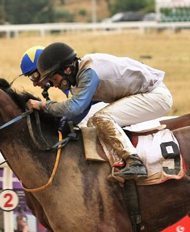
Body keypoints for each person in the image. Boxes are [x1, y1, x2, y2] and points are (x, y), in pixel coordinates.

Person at [26, 42, 172, 180]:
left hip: (155, 95)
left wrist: (45, 106)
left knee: (101, 118)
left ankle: (134, 162)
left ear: (67, 69)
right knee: (92, 123)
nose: (54, 84)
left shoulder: (88, 72)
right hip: (143, 93)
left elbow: (75, 107)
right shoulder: (80, 74)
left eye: (54, 78)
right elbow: (77, 115)